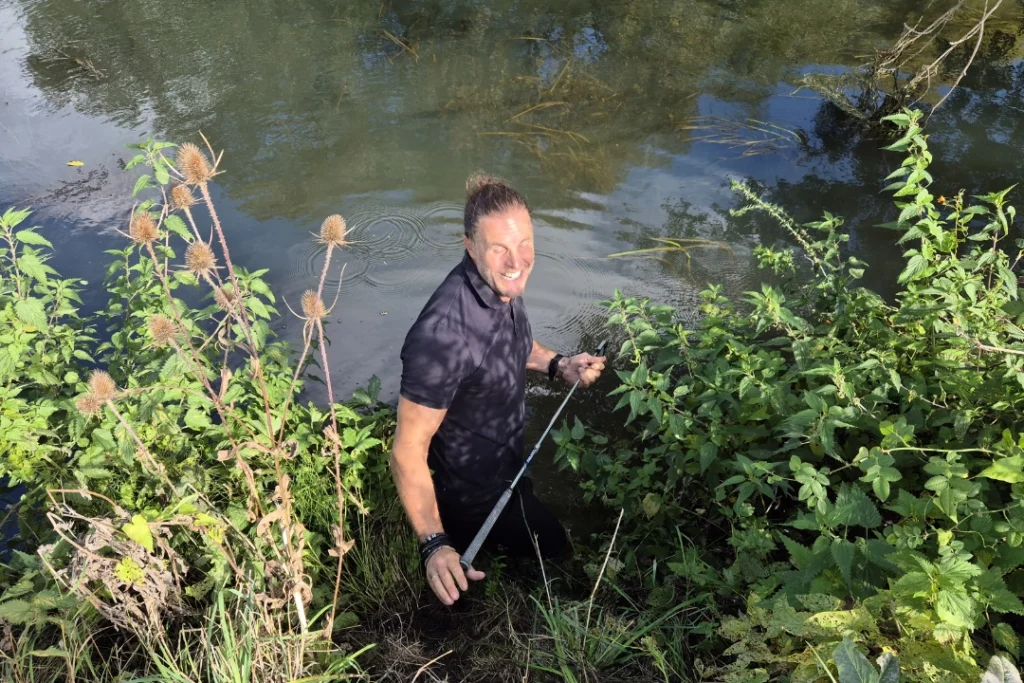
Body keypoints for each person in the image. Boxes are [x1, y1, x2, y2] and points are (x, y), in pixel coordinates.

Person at [390, 174, 606, 606]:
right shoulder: (442, 337)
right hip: (475, 492)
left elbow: (513, 343)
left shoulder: (503, 286)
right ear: (470, 246)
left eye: (524, 244)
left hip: (509, 460)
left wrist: (558, 364)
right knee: (556, 551)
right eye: (499, 248)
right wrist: (434, 543)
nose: (517, 261)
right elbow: (406, 451)